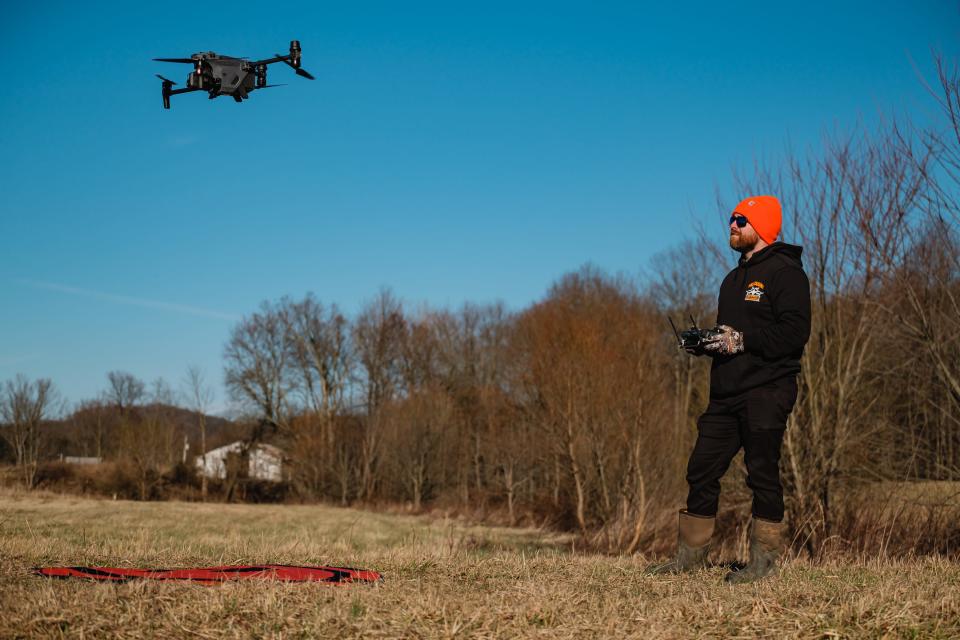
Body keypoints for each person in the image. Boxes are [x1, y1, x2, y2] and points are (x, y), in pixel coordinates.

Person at [648, 195, 811, 583]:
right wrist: (707, 344)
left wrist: (742, 340)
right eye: (732, 218)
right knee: (701, 469)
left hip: (767, 389)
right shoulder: (731, 280)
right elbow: (730, 339)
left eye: (741, 219)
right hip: (726, 394)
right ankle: (689, 559)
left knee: (761, 473)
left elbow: (793, 333)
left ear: (763, 226)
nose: (732, 225)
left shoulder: (786, 273)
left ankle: (763, 563)